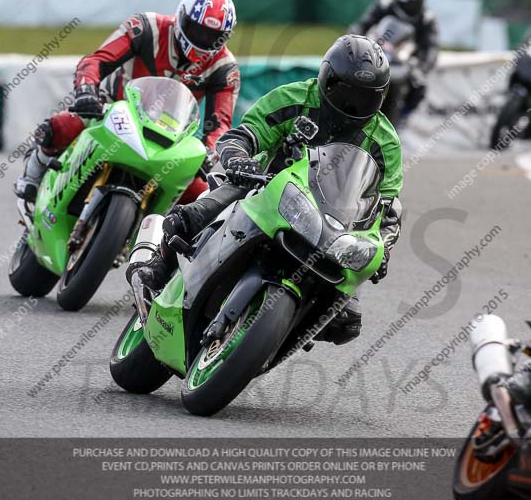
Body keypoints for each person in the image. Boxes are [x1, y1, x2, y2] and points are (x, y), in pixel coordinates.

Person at [127, 34, 403, 346]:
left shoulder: (385, 142)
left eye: (365, 98)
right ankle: (159, 263)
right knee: (204, 206)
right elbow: (243, 134)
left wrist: (384, 247)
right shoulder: (294, 98)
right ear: (326, 79)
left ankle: (285, 330)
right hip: (265, 190)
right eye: (344, 92)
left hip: (332, 226)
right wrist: (239, 160)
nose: (352, 105)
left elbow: (389, 207)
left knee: (347, 322)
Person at [15, 0, 240, 202]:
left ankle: (163, 237)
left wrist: (209, 152)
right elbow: (97, 60)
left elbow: (220, 123)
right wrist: (86, 90)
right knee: (60, 126)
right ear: (181, 16)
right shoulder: (145, 27)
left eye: (212, 35)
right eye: (196, 30)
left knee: (203, 195)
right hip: (113, 110)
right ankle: (34, 171)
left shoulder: (225, 68)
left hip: (169, 138)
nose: (202, 39)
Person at [350, 0, 438, 116]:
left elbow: (431, 48)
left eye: (415, 3)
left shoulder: (427, 19)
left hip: (405, 60)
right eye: (408, 3)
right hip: (376, 52)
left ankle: (403, 117)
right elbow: (361, 26)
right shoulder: (384, 5)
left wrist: (422, 69)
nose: (411, 7)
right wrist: (354, 44)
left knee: (419, 86)